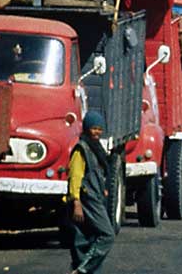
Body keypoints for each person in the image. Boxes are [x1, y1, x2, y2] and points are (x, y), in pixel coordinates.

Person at [67, 111, 115, 274]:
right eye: (94, 128)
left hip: (96, 197)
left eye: (100, 129)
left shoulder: (95, 148)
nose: (97, 132)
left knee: (86, 240)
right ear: (87, 128)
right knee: (107, 235)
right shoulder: (81, 150)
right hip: (86, 200)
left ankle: (84, 268)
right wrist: (76, 202)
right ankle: (83, 270)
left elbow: (97, 173)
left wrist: (104, 189)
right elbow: (75, 177)